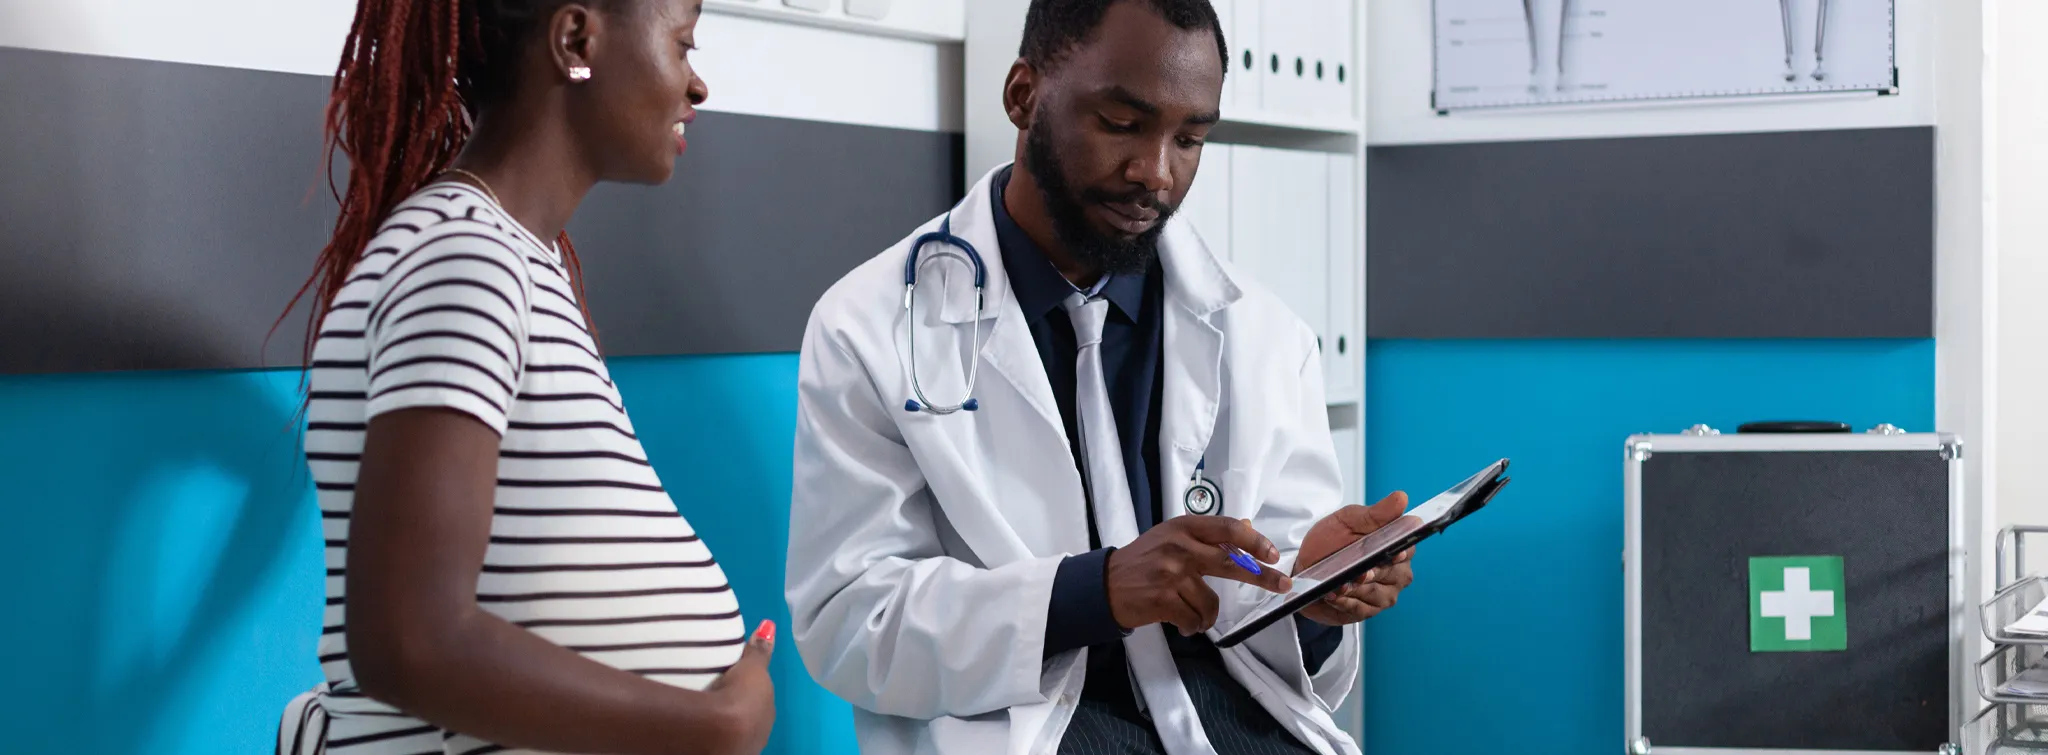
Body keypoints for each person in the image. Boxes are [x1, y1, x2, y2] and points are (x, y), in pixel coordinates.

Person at [784, 1, 1416, 753]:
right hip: (1034, 724)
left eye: (1189, 139)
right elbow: (852, 622)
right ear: (1023, 95)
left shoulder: (1266, 336)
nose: (1155, 173)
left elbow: (1278, 630)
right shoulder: (869, 326)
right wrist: (1091, 592)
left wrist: (1315, 593)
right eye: (1122, 123)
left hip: (1239, 723)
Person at [272, 1, 776, 753]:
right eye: (682, 45)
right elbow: (409, 638)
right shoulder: (465, 260)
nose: (695, 85)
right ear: (576, 40)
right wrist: (715, 724)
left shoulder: (508, 261)